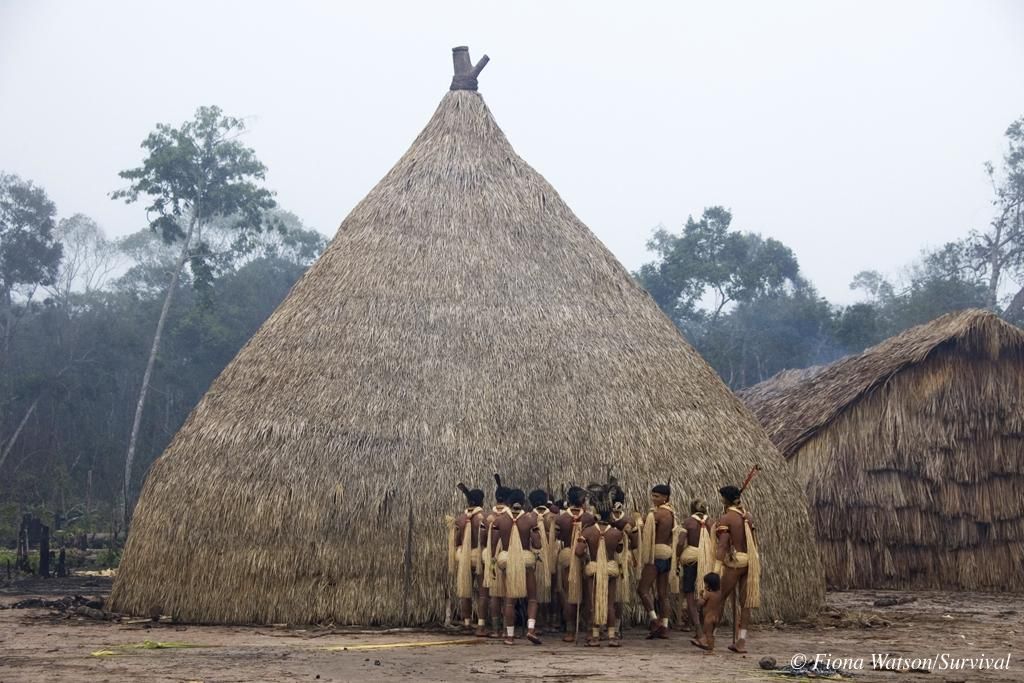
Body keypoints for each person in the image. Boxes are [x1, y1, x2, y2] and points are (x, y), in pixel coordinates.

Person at [490, 488, 543, 645]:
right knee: (532, 598)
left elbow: (492, 545)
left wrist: (493, 561)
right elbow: (538, 544)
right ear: (523, 502)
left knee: (509, 601)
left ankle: (510, 636)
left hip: (507, 561)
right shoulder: (530, 520)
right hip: (525, 562)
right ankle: (531, 630)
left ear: (508, 503)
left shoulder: (499, 521)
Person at [714, 485, 761, 654]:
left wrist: (716, 567)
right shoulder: (748, 516)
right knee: (745, 603)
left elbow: (723, 544)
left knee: (719, 598)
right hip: (750, 561)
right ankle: (741, 641)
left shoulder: (727, 518)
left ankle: (710, 636)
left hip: (735, 561)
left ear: (726, 500)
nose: (721, 501)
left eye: (722, 498)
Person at [575, 488, 624, 647]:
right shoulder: (616, 533)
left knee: (593, 602)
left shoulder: (587, 531)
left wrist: (585, 556)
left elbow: (578, 552)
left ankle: (595, 636)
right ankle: (612, 637)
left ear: (596, 512)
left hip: (594, 569)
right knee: (609, 603)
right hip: (610, 569)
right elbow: (619, 550)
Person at [637, 483, 680, 638]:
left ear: (665, 497)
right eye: (652, 496)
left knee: (642, 589)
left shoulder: (657, 514)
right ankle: (665, 626)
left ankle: (655, 621)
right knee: (663, 594)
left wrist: (637, 518)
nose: (653, 499)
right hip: (667, 554)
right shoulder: (672, 513)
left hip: (655, 554)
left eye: (656, 496)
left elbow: (641, 525)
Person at [555, 485, 594, 642]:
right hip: (584, 556)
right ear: (583, 500)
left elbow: (556, 537)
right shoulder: (589, 518)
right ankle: (590, 630)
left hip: (567, 556)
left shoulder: (561, 518)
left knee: (570, 594)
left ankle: (570, 631)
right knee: (587, 595)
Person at [451, 483, 487, 633]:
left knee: (465, 589)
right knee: (483, 593)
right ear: (481, 501)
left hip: (464, 557)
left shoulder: (460, 519)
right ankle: (481, 625)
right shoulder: (484, 518)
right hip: (479, 557)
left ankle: (466, 623)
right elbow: (485, 539)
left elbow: (456, 542)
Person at [678, 498, 715, 641]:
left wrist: (678, 556)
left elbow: (681, 542)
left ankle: (698, 630)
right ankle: (706, 629)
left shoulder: (688, 522)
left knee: (689, 592)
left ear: (692, 509)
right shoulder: (712, 523)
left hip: (691, 560)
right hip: (707, 560)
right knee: (706, 591)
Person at [481, 476, 512, 638]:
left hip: (491, 556)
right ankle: (507, 630)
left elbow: (482, 539)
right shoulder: (511, 518)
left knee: (494, 593)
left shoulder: (487, 517)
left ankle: (495, 630)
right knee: (507, 594)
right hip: (508, 557)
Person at [609, 486, 639, 639]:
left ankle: (615, 626)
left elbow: (635, 543)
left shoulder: (627, 520)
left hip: (619, 558)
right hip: (609, 558)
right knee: (613, 594)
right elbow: (636, 543)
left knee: (618, 594)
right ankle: (612, 626)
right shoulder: (628, 520)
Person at [528, 489, 558, 632]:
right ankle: (551, 620)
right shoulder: (553, 516)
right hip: (551, 556)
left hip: (534, 556)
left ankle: (539, 621)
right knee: (550, 589)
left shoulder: (528, 517)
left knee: (535, 591)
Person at [690, 572, 723, 652]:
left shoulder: (708, 594)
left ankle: (706, 645)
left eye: (705, 583)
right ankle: (710, 646)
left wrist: (700, 597)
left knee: (707, 633)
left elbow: (701, 603)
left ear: (709, 584)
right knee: (711, 634)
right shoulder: (719, 594)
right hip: (716, 617)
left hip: (708, 617)